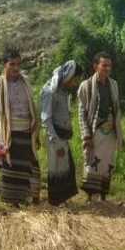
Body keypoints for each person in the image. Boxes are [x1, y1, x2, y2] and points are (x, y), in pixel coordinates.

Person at [0, 48, 41, 206]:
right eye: (12, 64)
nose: (16, 68)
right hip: (8, 133)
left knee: (31, 167)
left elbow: (32, 108)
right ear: (4, 65)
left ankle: (31, 199)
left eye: (18, 64)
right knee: (11, 169)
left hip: (27, 132)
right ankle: (14, 203)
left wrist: (36, 133)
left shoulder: (26, 82)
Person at [77, 52, 125, 202]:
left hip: (110, 130)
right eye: (104, 65)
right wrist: (86, 135)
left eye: (109, 66)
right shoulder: (86, 86)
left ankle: (103, 196)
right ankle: (90, 196)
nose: (107, 69)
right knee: (92, 162)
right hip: (94, 130)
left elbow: (116, 108)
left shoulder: (114, 84)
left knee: (108, 163)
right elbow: (82, 113)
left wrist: (120, 133)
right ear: (95, 66)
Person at [41, 60, 83, 206]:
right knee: (56, 168)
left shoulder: (64, 92)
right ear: (68, 76)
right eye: (75, 79)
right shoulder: (49, 90)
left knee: (66, 168)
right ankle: (56, 202)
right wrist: (56, 141)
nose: (76, 82)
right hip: (55, 136)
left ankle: (63, 200)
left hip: (63, 135)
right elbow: (46, 118)